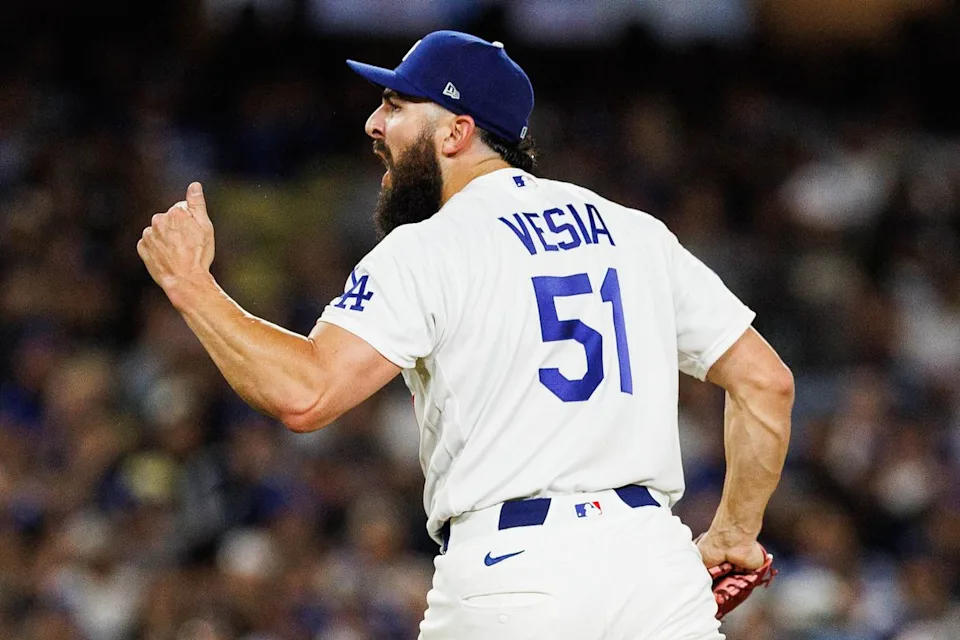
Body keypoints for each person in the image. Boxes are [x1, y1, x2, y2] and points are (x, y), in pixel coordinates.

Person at [137, 30, 794, 640]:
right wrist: (734, 530)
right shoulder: (637, 234)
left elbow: (305, 394)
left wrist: (192, 286)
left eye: (395, 105)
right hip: (655, 569)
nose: (373, 122)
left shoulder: (432, 247)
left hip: (515, 571)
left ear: (457, 131)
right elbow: (766, 382)